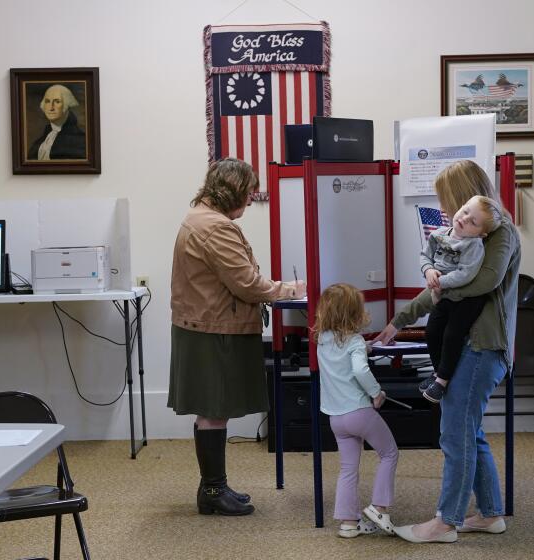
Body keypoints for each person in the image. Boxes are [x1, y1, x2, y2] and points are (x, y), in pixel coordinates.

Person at [372, 159, 521, 543]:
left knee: (455, 436)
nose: (446, 209)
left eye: (447, 199)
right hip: (473, 347)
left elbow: (480, 283)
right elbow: (444, 285)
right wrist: (400, 320)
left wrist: (437, 281)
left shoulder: (500, 234)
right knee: (469, 434)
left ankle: (446, 522)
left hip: (482, 346)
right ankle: (490, 514)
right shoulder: (466, 237)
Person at [168, 158, 306, 516]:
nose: (249, 199)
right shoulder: (215, 227)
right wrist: (291, 290)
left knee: (214, 410)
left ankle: (214, 485)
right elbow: (246, 284)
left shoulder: (200, 216)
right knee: (214, 410)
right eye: (247, 192)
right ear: (233, 191)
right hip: (215, 330)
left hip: (205, 324)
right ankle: (213, 490)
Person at [315, 283, 399, 538]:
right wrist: (377, 393)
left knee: (348, 468)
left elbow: (343, 358)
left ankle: (348, 524)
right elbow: (360, 370)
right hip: (360, 412)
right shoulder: (354, 341)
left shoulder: (322, 339)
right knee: (389, 453)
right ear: (355, 313)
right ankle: (379, 507)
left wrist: (366, 347)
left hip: (335, 417)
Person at [417, 195, 503, 403]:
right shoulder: (438, 235)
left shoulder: (473, 245)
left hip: (467, 299)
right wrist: (428, 270)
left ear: (481, 233)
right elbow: (424, 256)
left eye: (473, 221)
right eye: (465, 211)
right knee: (432, 331)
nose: (464, 219)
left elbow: (466, 274)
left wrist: (440, 283)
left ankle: (443, 381)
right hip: (444, 294)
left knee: (452, 335)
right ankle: (438, 372)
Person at [27, 84, 86, 161]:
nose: (51, 107)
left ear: (67, 105)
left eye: (57, 101)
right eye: (47, 101)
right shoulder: (40, 142)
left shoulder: (81, 140)